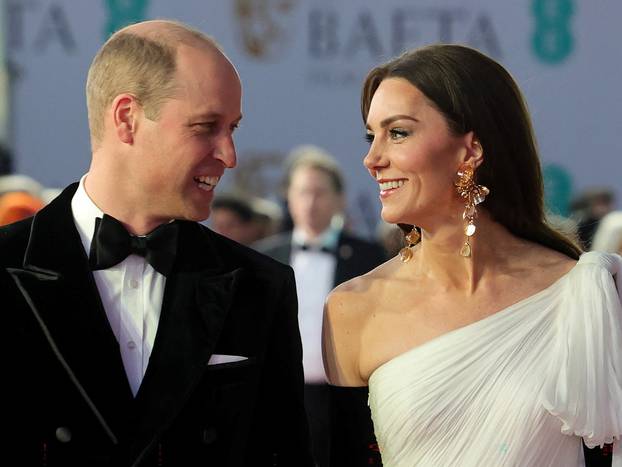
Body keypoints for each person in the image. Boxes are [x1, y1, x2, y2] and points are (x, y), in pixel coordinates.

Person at [1, 20, 312, 466]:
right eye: (206, 127)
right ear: (127, 118)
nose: (229, 155)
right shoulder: (7, 267)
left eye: (233, 129)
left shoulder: (259, 287)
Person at [322, 44, 622, 466]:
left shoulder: (582, 292)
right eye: (372, 136)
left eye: (399, 132)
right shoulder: (352, 309)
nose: (372, 159)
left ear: (470, 150)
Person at [255, 144, 386, 467]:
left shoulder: (370, 257)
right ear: (288, 198)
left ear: (340, 199)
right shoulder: (264, 257)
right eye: (302, 193)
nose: (310, 203)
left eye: (320, 193)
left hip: (348, 398)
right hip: (282, 397)